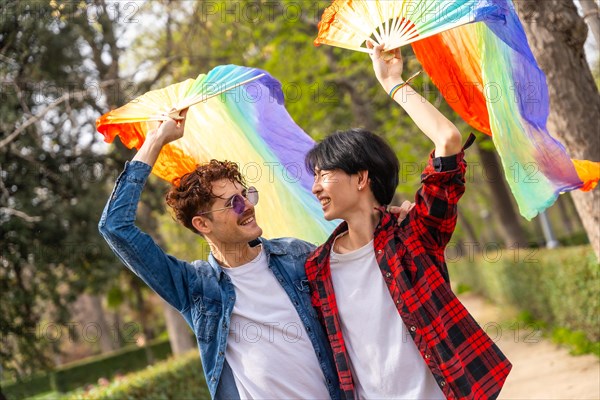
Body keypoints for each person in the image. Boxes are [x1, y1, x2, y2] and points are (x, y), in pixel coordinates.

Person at [98, 108, 413, 399]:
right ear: (202, 223)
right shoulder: (197, 289)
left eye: (245, 195)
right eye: (232, 203)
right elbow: (116, 227)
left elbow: (359, 262)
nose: (247, 205)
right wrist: (156, 140)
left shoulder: (296, 257)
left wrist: (385, 221)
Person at [304, 42, 512, 400]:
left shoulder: (415, 235)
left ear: (360, 178)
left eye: (324, 174)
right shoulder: (315, 268)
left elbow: (447, 140)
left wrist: (393, 84)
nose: (315, 187)